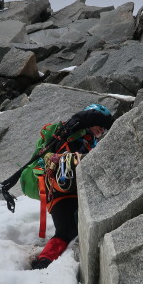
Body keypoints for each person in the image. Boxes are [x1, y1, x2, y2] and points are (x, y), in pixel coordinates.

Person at [30, 104, 114, 270]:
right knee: (66, 231)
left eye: (104, 129)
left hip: (65, 191)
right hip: (60, 191)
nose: (101, 131)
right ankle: (43, 265)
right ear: (91, 120)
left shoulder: (88, 141)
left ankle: (46, 263)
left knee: (69, 230)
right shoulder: (69, 132)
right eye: (99, 126)